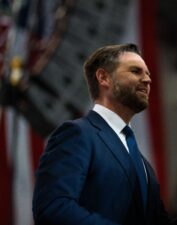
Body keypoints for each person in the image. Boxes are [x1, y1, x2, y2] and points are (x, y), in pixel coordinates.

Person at [32, 44, 169, 225]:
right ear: (104, 78)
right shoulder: (77, 135)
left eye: (148, 74)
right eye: (136, 71)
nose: (147, 80)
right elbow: (53, 207)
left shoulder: (142, 163)